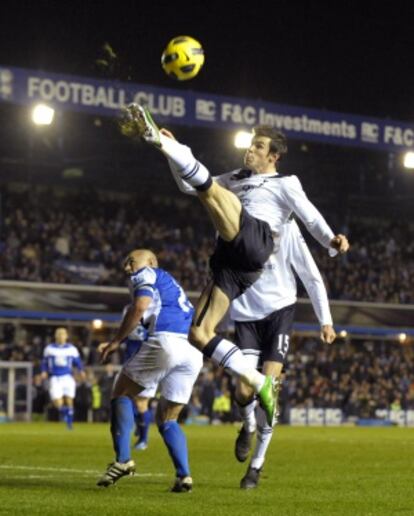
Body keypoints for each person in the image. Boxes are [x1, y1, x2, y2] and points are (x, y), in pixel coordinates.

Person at [120, 104, 349, 426]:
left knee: (210, 191)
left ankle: (157, 138)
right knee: (199, 334)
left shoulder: (285, 183)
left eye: (258, 146)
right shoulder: (235, 178)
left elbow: (309, 216)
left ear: (273, 156)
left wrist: (330, 241)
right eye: (251, 143)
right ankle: (260, 385)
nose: (250, 149)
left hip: (257, 240)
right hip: (231, 264)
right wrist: (172, 156)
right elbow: (188, 185)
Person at [232, 218, 336, 489]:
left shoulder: (288, 227)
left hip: (280, 312)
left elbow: (310, 274)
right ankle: (248, 426)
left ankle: (256, 466)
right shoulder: (237, 221)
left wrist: (325, 320)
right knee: (243, 391)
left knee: (269, 391)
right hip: (246, 316)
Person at [96, 249, 203, 492]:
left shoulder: (147, 274)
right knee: (168, 418)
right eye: (125, 262)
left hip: (167, 342)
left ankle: (123, 460)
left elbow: (140, 306)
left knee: (121, 393)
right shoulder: (173, 285)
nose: (127, 267)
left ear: (151, 262)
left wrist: (115, 342)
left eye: (131, 261)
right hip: (192, 351)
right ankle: (184, 476)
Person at [41, 327, 86, 429]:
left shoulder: (71, 349)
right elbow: (44, 362)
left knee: (69, 400)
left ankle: (69, 424)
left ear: (66, 336)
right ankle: (66, 413)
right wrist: (43, 371)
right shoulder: (49, 349)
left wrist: (81, 371)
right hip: (55, 378)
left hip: (67, 377)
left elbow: (78, 362)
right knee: (57, 402)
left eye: (63, 334)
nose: (61, 336)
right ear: (55, 336)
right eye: (59, 334)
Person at [120, 308, 152, 451]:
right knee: (129, 398)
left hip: (146, 363)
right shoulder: (129, 310)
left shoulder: (133, 316)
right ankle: (140, 426)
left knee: (141, 402)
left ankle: (143, 439)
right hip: (133, 362)